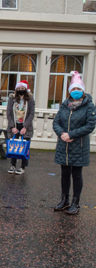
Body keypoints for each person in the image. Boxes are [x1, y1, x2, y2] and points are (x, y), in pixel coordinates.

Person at [53, 71, 96, 215]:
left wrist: (71, 134)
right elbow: (56, 122)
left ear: (82, 91)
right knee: (65, 173)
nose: (76, 91)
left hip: (79, 146)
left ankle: (75, 203)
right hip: (63, 145)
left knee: (76, 174)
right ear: (69, 91)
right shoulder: (65, 105)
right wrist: (62, 134)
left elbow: (90, 126)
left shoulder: (89, 106)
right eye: (73, 89)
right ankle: (64, 200)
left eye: (78, 89)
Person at [6, 80, 35, 175]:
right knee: (14, 146)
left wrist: (25, 127)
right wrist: (12, 127)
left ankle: (22, 167)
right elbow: (9, 113)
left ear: (26, 89)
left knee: (24, 147)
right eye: (18, 88)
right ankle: (13, 165)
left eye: (22, 88)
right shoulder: (12, 99)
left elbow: (31, 114)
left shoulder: (30, 99)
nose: (20, 90)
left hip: (25, 126)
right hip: (15, 125)